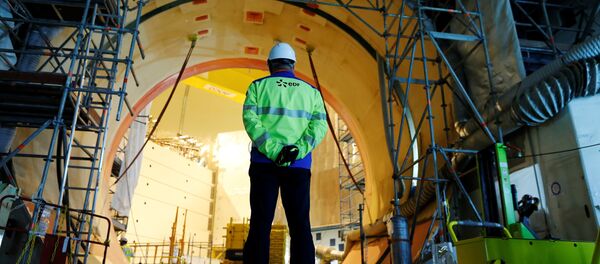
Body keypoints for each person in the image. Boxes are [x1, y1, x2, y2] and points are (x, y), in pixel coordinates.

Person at [242, 42, 327, 263]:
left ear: (269, 64)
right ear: (293, 65)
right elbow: (319, 127)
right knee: (300, 225)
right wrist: (296, 151)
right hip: (298, 167)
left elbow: (251, 121)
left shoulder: (257, 87)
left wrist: (273, 151)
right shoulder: (311, 92)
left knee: (260, 223)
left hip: (263, 164)